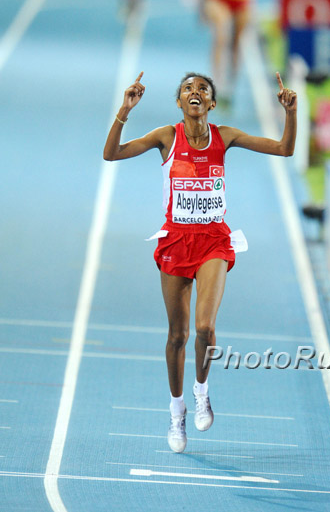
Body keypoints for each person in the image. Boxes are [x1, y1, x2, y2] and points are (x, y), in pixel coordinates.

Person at [103, 70, 297, 453]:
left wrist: (290, 113)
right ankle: (177, 412)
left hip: (212, 240)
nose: (195, 93)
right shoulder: (165, 137)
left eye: (203, 90)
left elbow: (284, 149)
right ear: (180, 102)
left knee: (205, 329)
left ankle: (201, 391)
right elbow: (111, 154)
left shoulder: (225, 137)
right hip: (175, 240)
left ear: (211, 103)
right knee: (178, 335)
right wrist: (124, 111)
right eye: (187, 89)